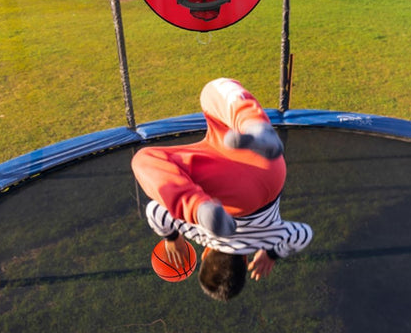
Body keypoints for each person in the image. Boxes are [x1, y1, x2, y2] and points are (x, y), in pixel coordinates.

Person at [131, 78, 313, 301]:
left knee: (217, 112)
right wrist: (172, 237)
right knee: (145, 159)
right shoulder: (198, 233)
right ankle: (197, 205)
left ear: (245, 260)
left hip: (270, 171)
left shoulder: (267, 238)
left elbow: (302, 235)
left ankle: (257, 130)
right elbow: (154, 212)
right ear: (206, 253)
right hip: (232, 194)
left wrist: (272, 254)